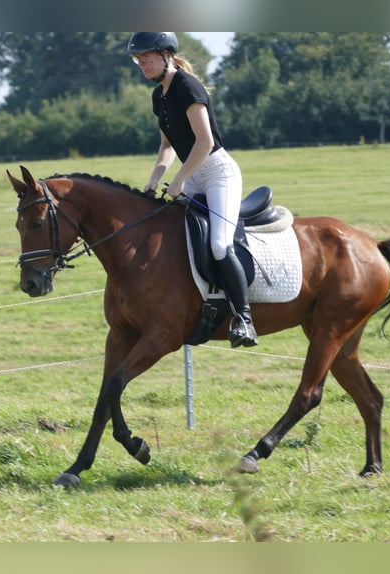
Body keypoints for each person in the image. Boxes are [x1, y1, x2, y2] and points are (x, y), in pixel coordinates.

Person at [126, 32, 258, 348]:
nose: (141, 62)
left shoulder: (187, 87)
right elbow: (167, 145)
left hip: (217, 174)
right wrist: (155, 178)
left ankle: (243, 318)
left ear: (166, 54)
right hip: (193, 174)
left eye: (146, 56)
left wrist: (181, 179)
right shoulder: (159, 96)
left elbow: (205, 142)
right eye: (137, 58)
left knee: (218, 245)